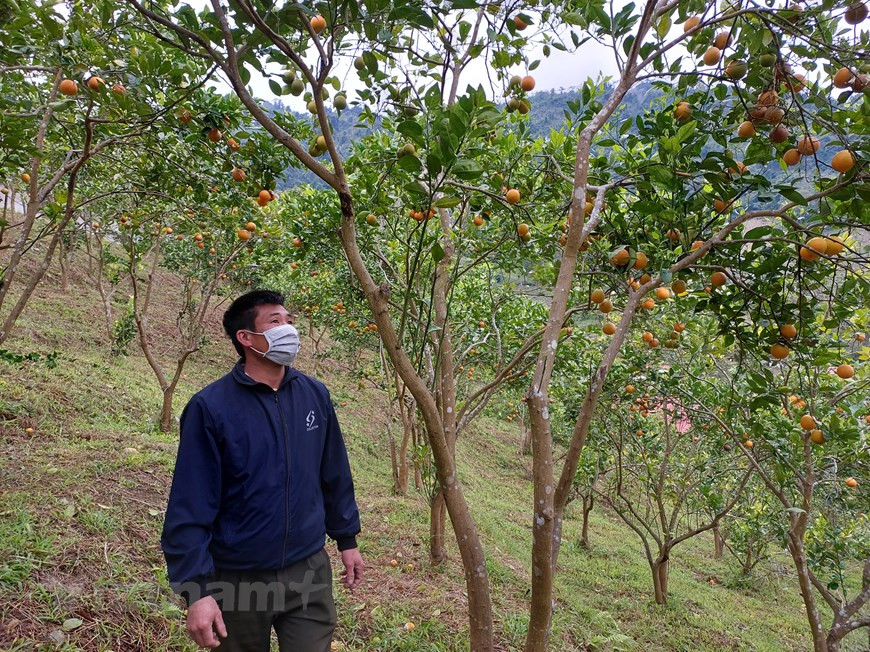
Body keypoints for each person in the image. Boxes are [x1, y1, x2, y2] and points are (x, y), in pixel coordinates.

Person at [161, 289, 363, 651]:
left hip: (307, 570)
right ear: (246, 337)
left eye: (289, 321)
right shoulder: (210, 408)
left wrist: (346, 539)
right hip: (239, 578)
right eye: (275, 321)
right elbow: (190, 503)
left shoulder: (314, 395)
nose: (288, 329)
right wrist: (197, 591)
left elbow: (334, 472)